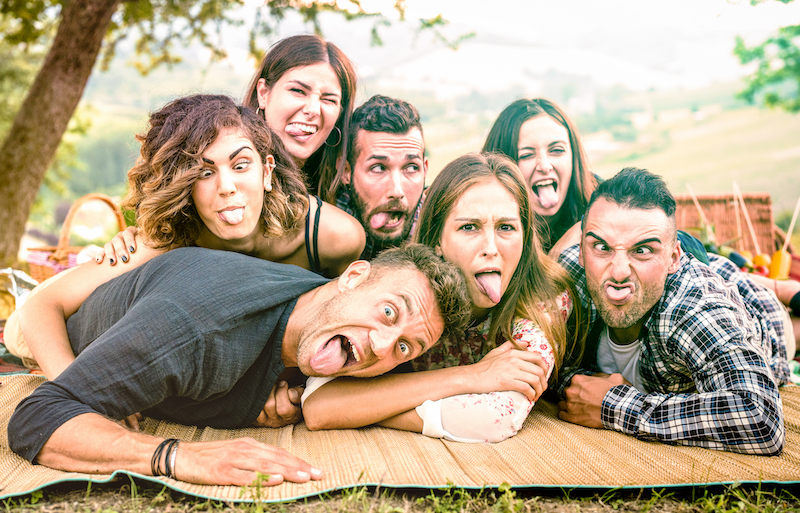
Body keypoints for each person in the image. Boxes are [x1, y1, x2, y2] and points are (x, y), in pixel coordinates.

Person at [8, 244, 471, 486]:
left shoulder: (318, 311)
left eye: (406, 348)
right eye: (389, 311)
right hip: (57, 321)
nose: (382, 346)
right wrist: (177, 456)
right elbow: (37, 419)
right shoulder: (195, 327)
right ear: (352, 276)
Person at [5, 94, 364, 378]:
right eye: (204, 173)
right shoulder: (174, 238)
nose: (226, 187)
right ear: (184, 185)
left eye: (241, 166)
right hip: (51, 311)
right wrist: (73, 389)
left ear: (267, 171)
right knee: (23, 330)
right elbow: (41, 309)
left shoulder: (332, 237)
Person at [302, 153, 583, 443]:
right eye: (469, 227)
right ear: (437, 240)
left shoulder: (543, 303)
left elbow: (494, 419)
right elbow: (318, 403)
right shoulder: (413, 293)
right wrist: (473, 376)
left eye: (506, 228)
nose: (491, 247)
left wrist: (362, 409)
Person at [555, 167, 791, 455]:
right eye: (601, 247)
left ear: (673, 258)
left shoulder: (692, 309)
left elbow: (761, 417)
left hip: (762, 313)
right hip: (706, 270)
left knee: (789, 326)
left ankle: (784, 291)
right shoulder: (569, 278)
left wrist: (614, 406)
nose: (617, 273)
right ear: (581, 250)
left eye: (642, 250)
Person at [243, 34, 357, 202]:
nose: (313, 110)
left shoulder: (343, 195)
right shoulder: (230, 178)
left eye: (328, 99)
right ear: (263, 93)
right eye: (298, 91)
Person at [482, 98, 596, 254]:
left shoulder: (602, 207)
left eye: (556, 150)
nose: (544, 166)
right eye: (526, 155)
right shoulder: (486, 241)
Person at [335, 95, 428, 260]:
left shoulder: (441, 232)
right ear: (346, 172)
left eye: (412, 168)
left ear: (425, 170)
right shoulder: (322, 226)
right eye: (378, 168)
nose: (396, 191)